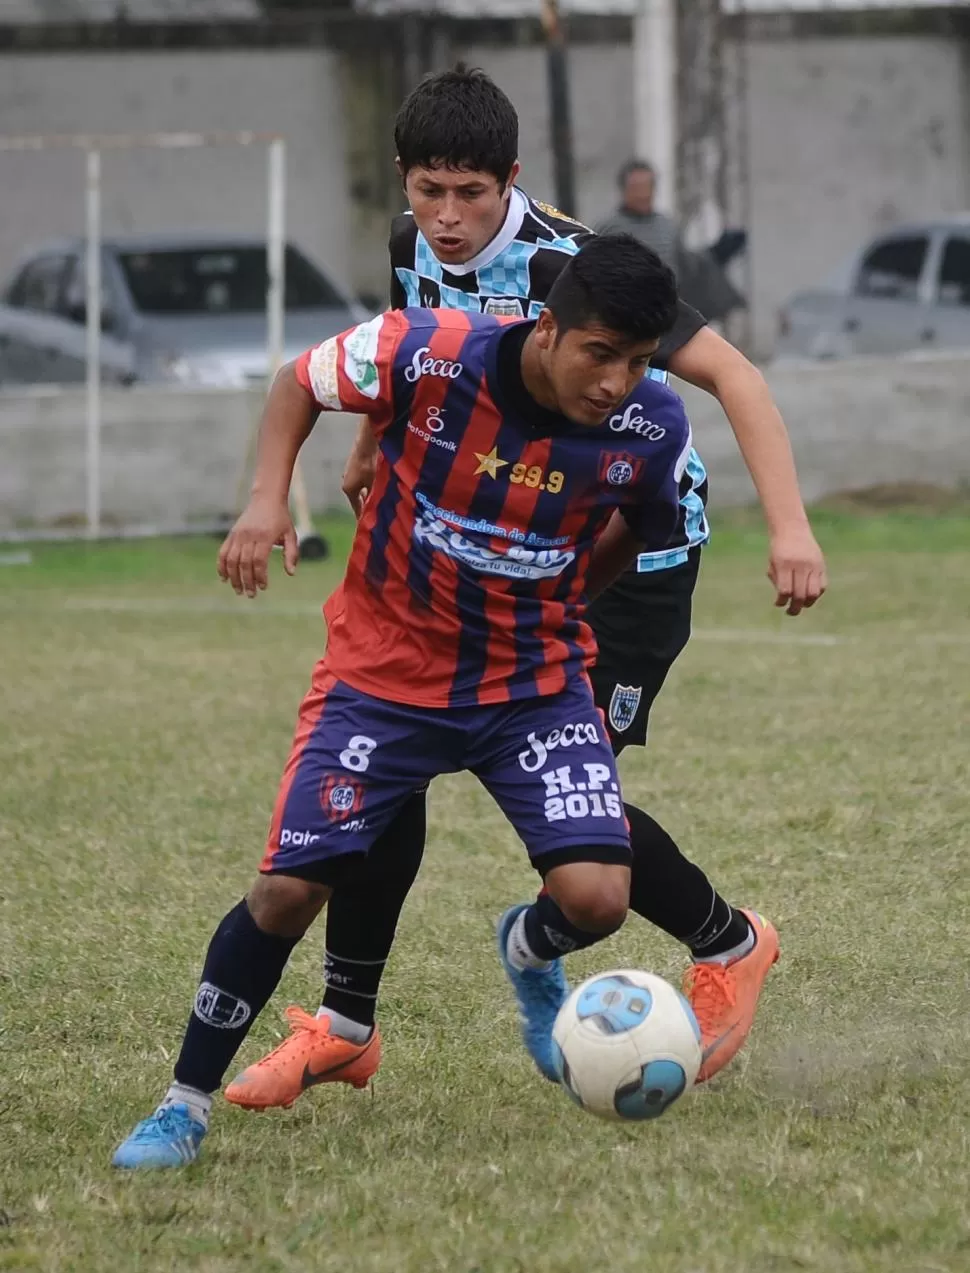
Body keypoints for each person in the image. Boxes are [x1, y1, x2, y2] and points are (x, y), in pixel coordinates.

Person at [233, 66, 809, 1109]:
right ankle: (345, 1022)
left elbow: (737, 377)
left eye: (470, 196)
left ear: (511, 181)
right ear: (406, 184)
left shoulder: (578, 264)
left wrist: (791, 530)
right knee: (388, 761)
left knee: (568, 777)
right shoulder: (415, 244)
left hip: (623, 553)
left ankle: (730, 940)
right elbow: (417, 344)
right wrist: (372, 444)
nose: (446, 221)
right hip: (491, 539)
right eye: (427, 193)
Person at [114, 234, 698, 1168]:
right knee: (286, 891)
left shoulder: (653, 423)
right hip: (383, 678)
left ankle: (527, 949)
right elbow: (297, 380)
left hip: (536, 685)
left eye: (637, 361)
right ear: (547, 329)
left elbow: (643, 523)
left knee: (597, 900)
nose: (616, 382)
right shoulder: (425, 350)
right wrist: (269, 500)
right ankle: (182, 1103)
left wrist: (562, 603)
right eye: (600, 354)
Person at [596, 159, 744, 321]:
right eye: (637, 188)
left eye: (648, 187)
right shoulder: (607, 230)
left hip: (666, 315)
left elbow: (688, 267)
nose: (643, 194)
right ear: (624, 190)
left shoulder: (666, 226)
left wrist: (716, 253)